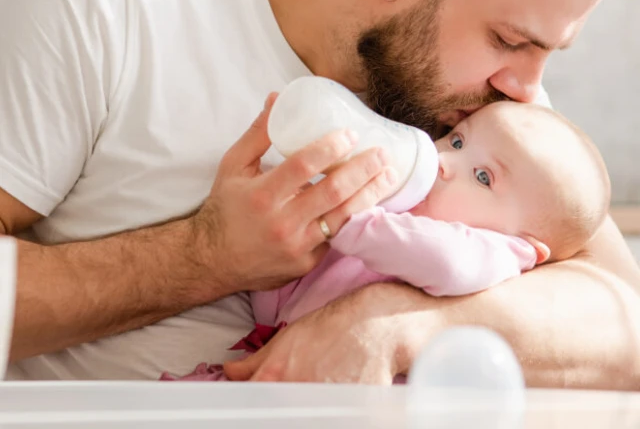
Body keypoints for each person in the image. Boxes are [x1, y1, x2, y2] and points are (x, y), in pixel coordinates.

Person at [0, 0, 639, 385]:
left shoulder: (485, 112)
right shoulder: (108, 2)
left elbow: (624, 322)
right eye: (509, 39)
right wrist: (202, 258)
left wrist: (398, 325)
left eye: (547, 53)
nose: (527, 89)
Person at [160, 100, 610, 382]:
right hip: (281, 362)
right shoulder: (398, 214)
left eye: (483, 176)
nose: (443, 162)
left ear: (529, 245)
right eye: (456, 141)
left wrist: (349, 220)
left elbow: (445, 262)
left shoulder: (493, 252)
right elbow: (280, 294)